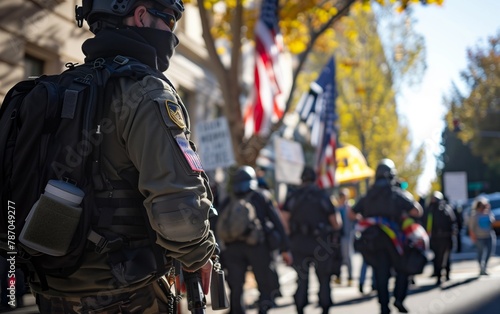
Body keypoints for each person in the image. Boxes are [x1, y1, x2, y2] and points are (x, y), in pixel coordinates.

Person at [30, 1, 218, 312]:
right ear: (142, 15)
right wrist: (199, 255)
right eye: (170, 22)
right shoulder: (146, 91)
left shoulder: (53, 90)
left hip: (52, 293)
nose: (172, 34)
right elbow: (177, 209)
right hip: (126, 293)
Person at [351, 159, 422, 314]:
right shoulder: (396, 193)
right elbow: (417, 211)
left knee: (380, 274)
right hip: (395, 241)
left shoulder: (368, 195)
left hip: (373, 242)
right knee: (402, 269)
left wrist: (367, 220)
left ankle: (384, 306)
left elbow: (351, 213)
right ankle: (398, 298)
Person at [219, 166, 292, 314]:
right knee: (263, 282)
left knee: (236, 285)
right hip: (257, 247)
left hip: (232, 248)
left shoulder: (228, 199)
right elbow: (277, 222)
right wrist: (285, 248)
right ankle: (263, 308)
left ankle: (236, 310)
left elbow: (217, 224)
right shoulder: (261, 196)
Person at [281, 166, 342, 314]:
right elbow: (336, 223)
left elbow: (284, 220)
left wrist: (290, 238)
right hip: (321, 244)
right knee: (324, 279)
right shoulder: (323, 196)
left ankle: (300, 308)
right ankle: (325, 307)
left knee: (302, 279)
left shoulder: (293, 196)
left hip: (299, 243)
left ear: (301, 179)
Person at [423, 191, 457, 285]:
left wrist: (453, 233)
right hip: (435, 238)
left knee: (446, 257)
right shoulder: (429, 210)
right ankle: (438, 275)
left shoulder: (446, 208)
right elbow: (426, 223)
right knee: (437, 257)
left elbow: (453, 222)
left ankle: (447, 274)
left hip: (446, 237)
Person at [468, 196, 497, 276]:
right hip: (479, 237)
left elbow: (493, 222)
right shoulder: (474, 215)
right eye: (482, 206)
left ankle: (484, 267)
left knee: (490, 252)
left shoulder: (488, 213)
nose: (483, 207)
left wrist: (489, 210)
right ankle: (481, 268)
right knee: (480, 253)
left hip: (489, 235)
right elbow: (471, 227)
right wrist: (473, 236)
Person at [334, 188, 355, 286]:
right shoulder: (336, 208)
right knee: (338, 257)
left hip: (347, 235)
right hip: (337, 236)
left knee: (347, 256)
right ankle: (338, 276)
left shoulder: (349, 208)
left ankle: (350, 277)